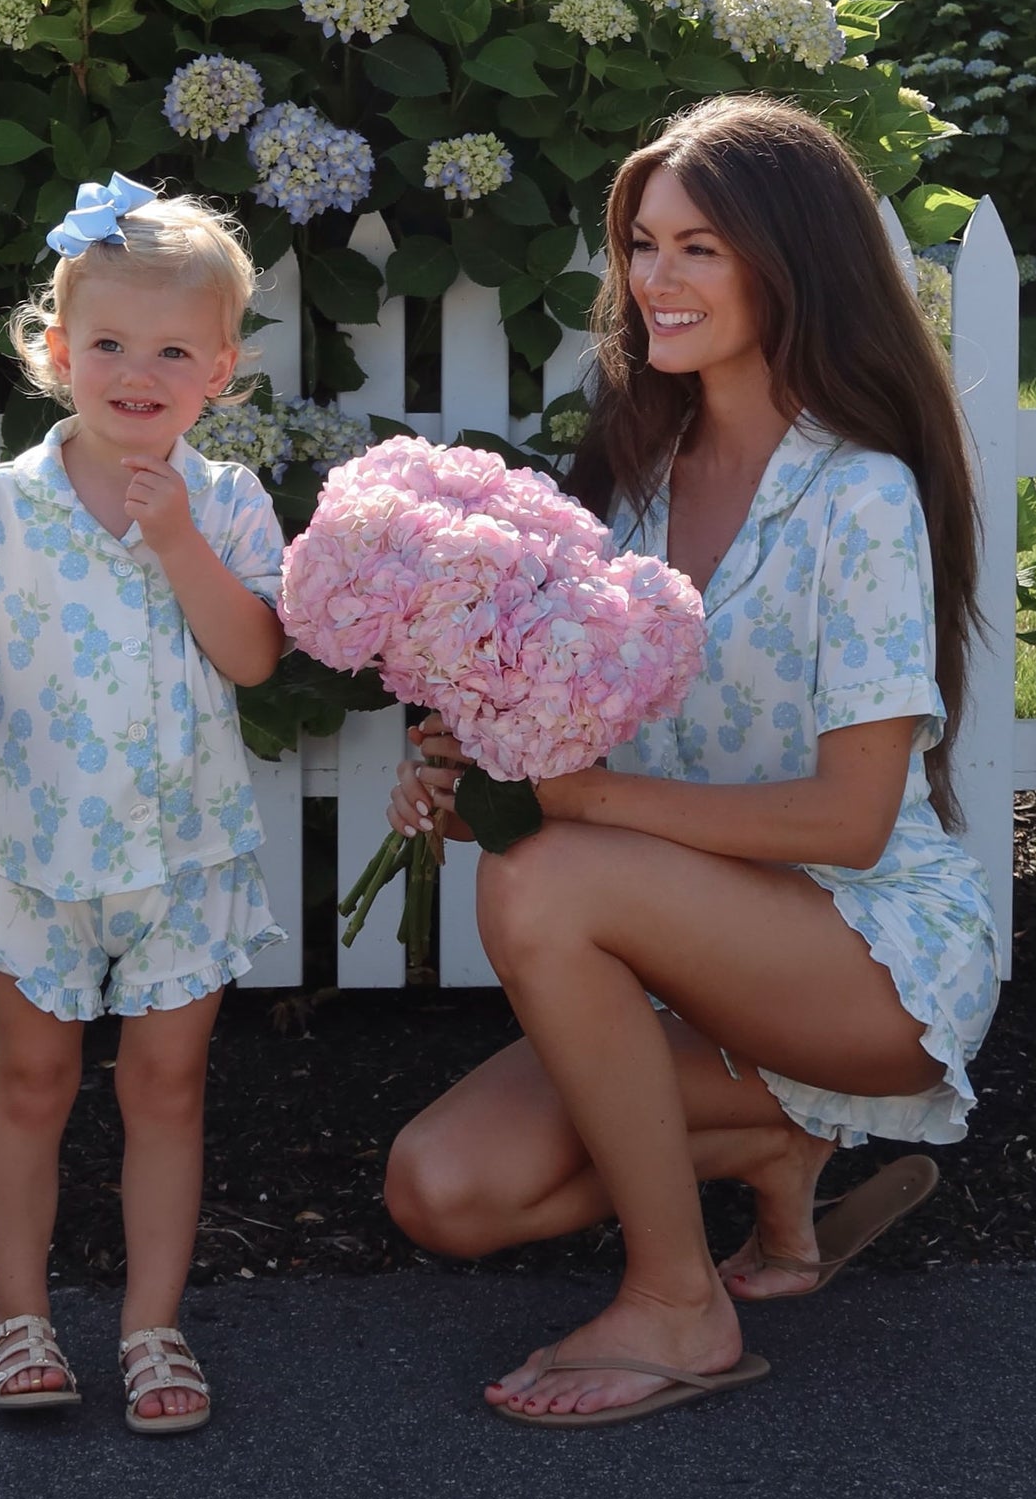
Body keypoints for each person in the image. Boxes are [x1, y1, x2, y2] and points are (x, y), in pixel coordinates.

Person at [384, 93, 1000, 1428]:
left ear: (792, 264)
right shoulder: (635, 475)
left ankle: (678, 1302)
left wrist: (579, 804)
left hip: (868, 954)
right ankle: (787, 1144)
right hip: (703, 967)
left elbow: (850, 819)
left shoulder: (859, 493)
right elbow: (579, 759)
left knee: (542, 881)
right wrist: (471, 772)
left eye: (698, 248)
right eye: (642, 244)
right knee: (440, 1190)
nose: (653, 278)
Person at [0, 176, 284, 1435]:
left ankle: (152, 1325)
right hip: (38, 852)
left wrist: (181, 544)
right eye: (107, 343)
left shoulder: (225, 501)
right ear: (56, 352)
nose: (135, 373)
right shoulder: (5, 504)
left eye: (171, 351)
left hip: (184, 858)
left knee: (166, 1091)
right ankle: (19, 1317)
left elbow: (252, 656)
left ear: (218, 370)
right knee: (31, 1082)